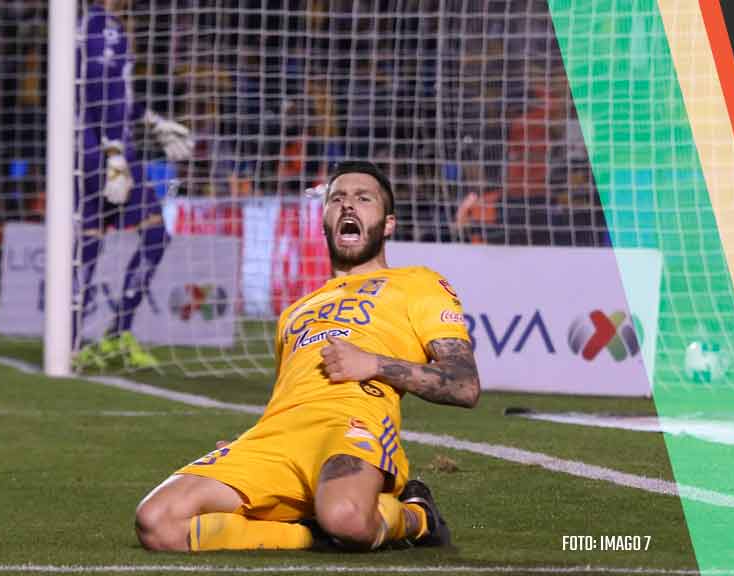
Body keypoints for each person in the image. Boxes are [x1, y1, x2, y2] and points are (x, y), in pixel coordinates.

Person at [134, 161, 481, 552]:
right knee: (157, 522)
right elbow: (289, 393)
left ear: (387, 224)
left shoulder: (419, 283)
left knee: (347, 517)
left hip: (350, 425)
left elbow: (465, 385)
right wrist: (249, 438)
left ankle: (418, 517)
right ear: (325, 220)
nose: (348, 206)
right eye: (338, 199)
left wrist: (375, 365)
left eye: (363, 199)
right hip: (276, 438)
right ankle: (312, 533)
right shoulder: (294, 312)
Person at [73, 0, 194, 370]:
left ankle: (80, 340)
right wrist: (114, 152)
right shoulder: (104, 25)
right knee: (150, 236)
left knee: (90, 242)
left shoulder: (88, 24)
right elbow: (100, 89)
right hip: (105, 151)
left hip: (93, 149)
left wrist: (152, 120)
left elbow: (115, 95)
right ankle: (113, 333)